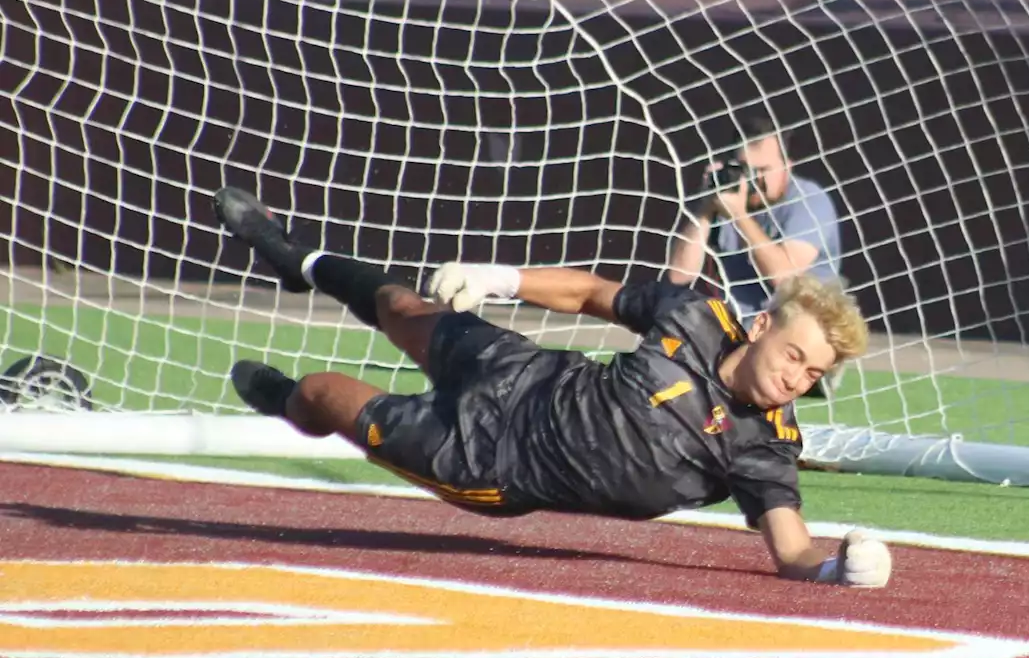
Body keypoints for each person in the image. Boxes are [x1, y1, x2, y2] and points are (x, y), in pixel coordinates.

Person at [213, 185, 890, 587]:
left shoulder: (764, 444)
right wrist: (499, 278)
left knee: (326, 393)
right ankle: (293, 255)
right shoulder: (699, 314)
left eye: (811, 373)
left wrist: (833, 570)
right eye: (795, 353)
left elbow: (791, 546)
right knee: (403, 306)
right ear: (761, 323)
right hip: (521, 372)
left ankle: (286, 401)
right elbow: (594, 293)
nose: (795, 377)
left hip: (491, 462)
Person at [667, 116, 842, 320]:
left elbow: (785, 279)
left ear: (788, 166)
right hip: (736, 326)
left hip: (797, 325)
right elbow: (679, 276)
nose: (753, 178)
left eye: (763, 170)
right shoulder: (726, 197)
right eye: (745, 168)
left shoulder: (810, 200)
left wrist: (739, 216)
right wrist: (705, 209)